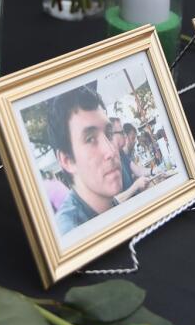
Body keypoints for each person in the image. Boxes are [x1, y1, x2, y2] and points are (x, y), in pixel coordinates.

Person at [46, 86, 156, 235]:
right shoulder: (70, 234)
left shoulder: (108, 206)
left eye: (109, 133)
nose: (111, 151)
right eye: (90, 139)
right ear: (67, 161)